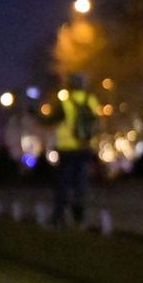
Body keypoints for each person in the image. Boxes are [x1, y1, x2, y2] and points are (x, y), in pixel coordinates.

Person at [51, 73, 101, 226]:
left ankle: (59, 215)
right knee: (81, 181)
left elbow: (51, 120)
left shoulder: (65, 102)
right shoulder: (92, 101)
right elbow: (96, 122)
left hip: (67, 149)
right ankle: (78, 214)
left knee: (63, 182)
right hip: (85, 148)